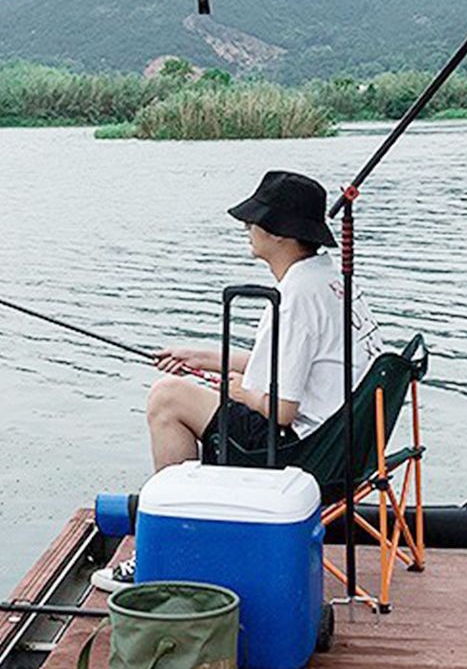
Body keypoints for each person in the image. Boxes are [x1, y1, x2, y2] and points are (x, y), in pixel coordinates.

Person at [92, 170, 382, 591]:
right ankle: (188, 532)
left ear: (280, 234)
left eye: (254, 221)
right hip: (343, 444)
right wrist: (202, 358)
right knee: (189, 390)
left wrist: (235, 390)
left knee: (166, 398)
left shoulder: (295, 297)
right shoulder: (330, 280)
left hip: (300, 449)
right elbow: (292, 365)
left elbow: (282, 408)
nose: (248, 229)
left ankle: (172, 549)